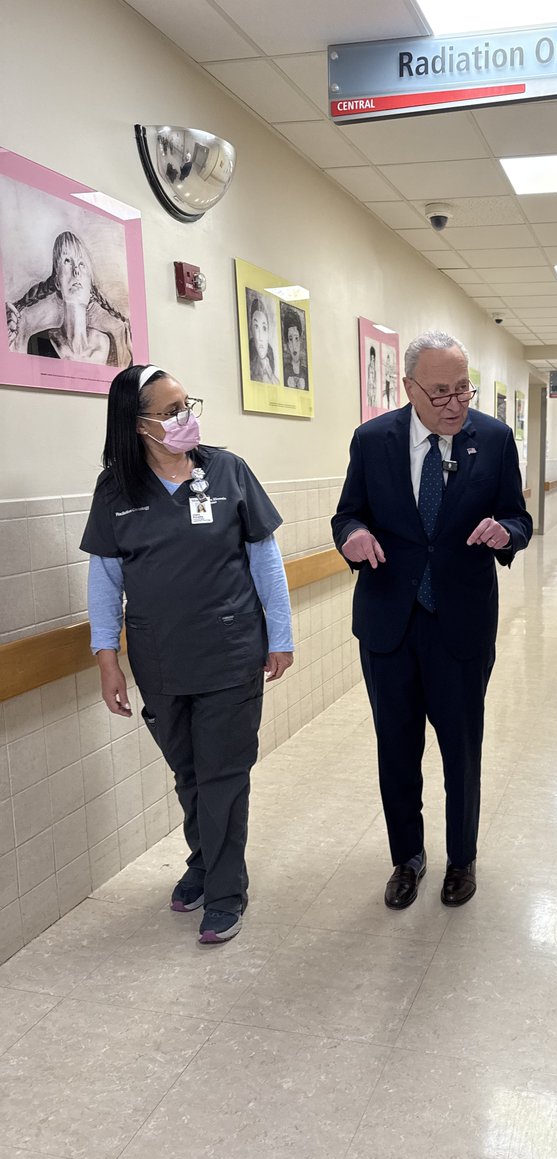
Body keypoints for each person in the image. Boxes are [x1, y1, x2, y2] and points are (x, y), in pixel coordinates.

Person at [80, 364, 294, 943]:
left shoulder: (227, 470)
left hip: (230, 650)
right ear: (138, 424)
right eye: (171, 411)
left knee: (224, 774)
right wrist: (106, 658)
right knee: (189, 772)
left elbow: (265, 560)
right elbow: (105, 580)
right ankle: (203, 863)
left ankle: (225, 890)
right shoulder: (116, 490)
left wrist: (280, 635)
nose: (185, 418)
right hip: (159, 657)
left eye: (187, 405)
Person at [332, 331, 532, 909]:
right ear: (409, 388)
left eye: (463, 389)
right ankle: (407, 857)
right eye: (440, 391)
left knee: (461, 750)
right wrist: (353, 535)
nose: (455, 403)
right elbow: (346, 515)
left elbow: (518, 517)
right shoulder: (373, 440)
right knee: (396, 749)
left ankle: (461, 858)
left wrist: (505, 533)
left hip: (460, 624)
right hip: (389, 624)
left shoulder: (492, 439)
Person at [5, 230, 132, 365]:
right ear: (57, 282)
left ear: (91, 288)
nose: (76, 271)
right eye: (67, 261)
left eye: (82, 264)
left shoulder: (108, 343)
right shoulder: (39, 342)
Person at [248, 295, 279, 384]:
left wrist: (271, 375)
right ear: (251, 330)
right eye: (256, 327)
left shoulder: (270, 356)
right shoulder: (251, 364)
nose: (260, 337)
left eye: (264, 328)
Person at [282, 305, 307, 389]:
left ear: (300, 340)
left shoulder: (306, 372)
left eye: (296, 338)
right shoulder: (284, 371)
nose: (294, 345)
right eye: (290, 339)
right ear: (287, 343)